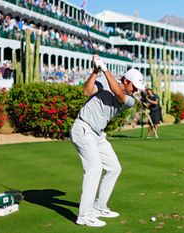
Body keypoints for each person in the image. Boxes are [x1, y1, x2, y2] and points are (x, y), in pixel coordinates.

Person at [70, 55, 145, 227]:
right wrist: (96, 71)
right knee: (94, 168)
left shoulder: (130, 100)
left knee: (114, 168)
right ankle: (84, 215)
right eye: (134, 86)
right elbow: (86, 91)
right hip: (83, 128)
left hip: (97, 134)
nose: (135, 91)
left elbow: (118, 92)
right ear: (125, 80)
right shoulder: (103, 82)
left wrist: (104, 68)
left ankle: (99, 207)